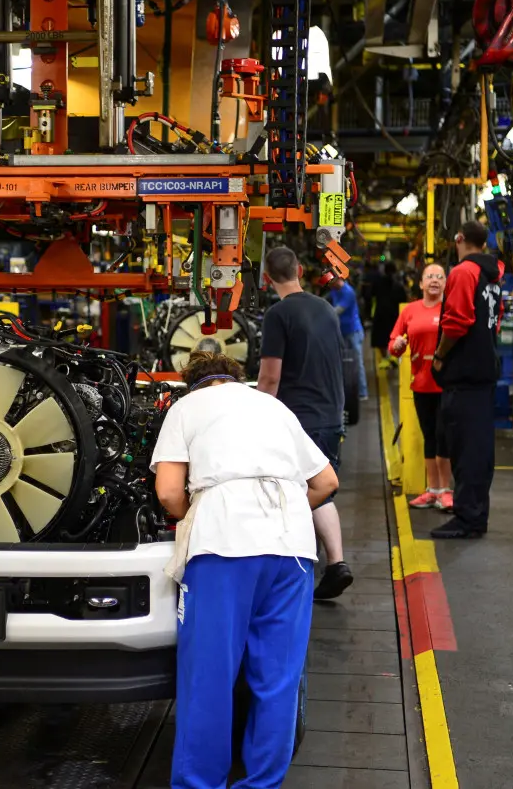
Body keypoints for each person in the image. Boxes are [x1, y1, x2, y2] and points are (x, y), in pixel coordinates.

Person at [152, 350, 339, 789]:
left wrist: (196, 515)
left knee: (209, 678)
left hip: (223, 544)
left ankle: (202, 784)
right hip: (292, 548)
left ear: (194, 383)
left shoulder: (186, 406)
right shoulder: (273, 406)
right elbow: (327, 482)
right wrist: (286, 511)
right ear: (236, 378)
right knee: (277, 680)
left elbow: (167, 492)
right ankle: (262, 784)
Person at [257, 246, 353, 599]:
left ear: (267, 279)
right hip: (330, 414)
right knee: (321, 488)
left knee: (294, 491)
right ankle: (336, 564)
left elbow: (270, 378)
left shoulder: (277, 315)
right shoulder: (326, 309)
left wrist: (257, 415)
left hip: (299, 419)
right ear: (299, 269)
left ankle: (295, 568)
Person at [430, 221, 505, 539]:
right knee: (478, 450)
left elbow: (458, 322)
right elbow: (497, 317)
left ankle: (468, 519)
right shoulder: (493, 274)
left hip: (464, 374)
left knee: (466, 450)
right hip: (484, 372)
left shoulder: (463, 272)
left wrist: (440, 355)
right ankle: (475, 514)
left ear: (459, 239)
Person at [389, 264, 452, 510]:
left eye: (439, 277)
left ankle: (445, 490)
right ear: (421, 284)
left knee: (444, 437)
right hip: (422, 385)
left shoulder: (451, 309)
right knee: (430, 437)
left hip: (446, 385)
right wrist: (397, 345)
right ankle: (432, 490)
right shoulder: (411, 311)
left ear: (446, 283)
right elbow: (394, 341)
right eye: (430, 277)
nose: (435, 280)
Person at [328, 276, 368, 401]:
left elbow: (337, 311)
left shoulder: (348, 292)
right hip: (342, 331)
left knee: (357, 362)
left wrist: (320, 312)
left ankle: (362, 392)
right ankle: (343, 392)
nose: (329, 285)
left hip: (353, 332)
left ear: (337, 280)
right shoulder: (334, 290)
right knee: (342, 362)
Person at [370, 262, 407, 371]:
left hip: (380, 314)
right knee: (394, 336)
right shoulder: (399, 285)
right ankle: (393, 358)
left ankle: (385, 359)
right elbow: (403, 300)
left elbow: (371, 295)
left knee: (380, 339)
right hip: (394, 315)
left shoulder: (378, 282)